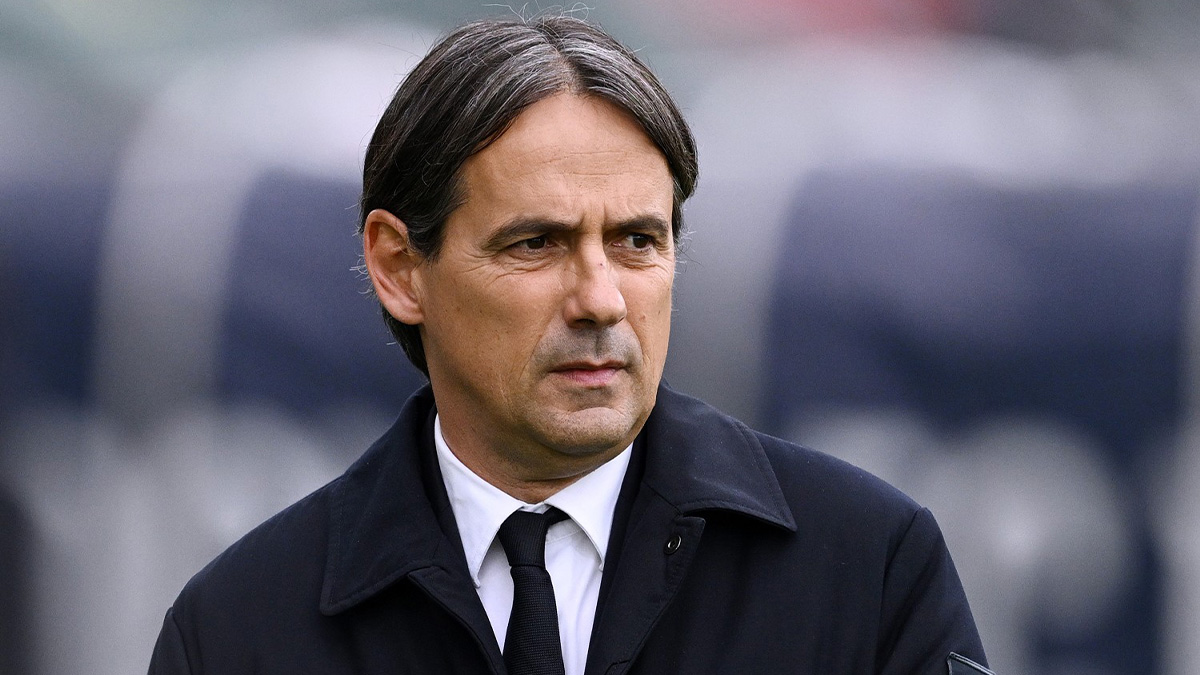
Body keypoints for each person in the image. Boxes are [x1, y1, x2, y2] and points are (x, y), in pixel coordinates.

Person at [148, 15, 991, 675]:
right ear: (400, 268)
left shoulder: (868, 568)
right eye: (536, 243)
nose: (600, 299)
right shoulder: (240, 631)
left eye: (637, 241)